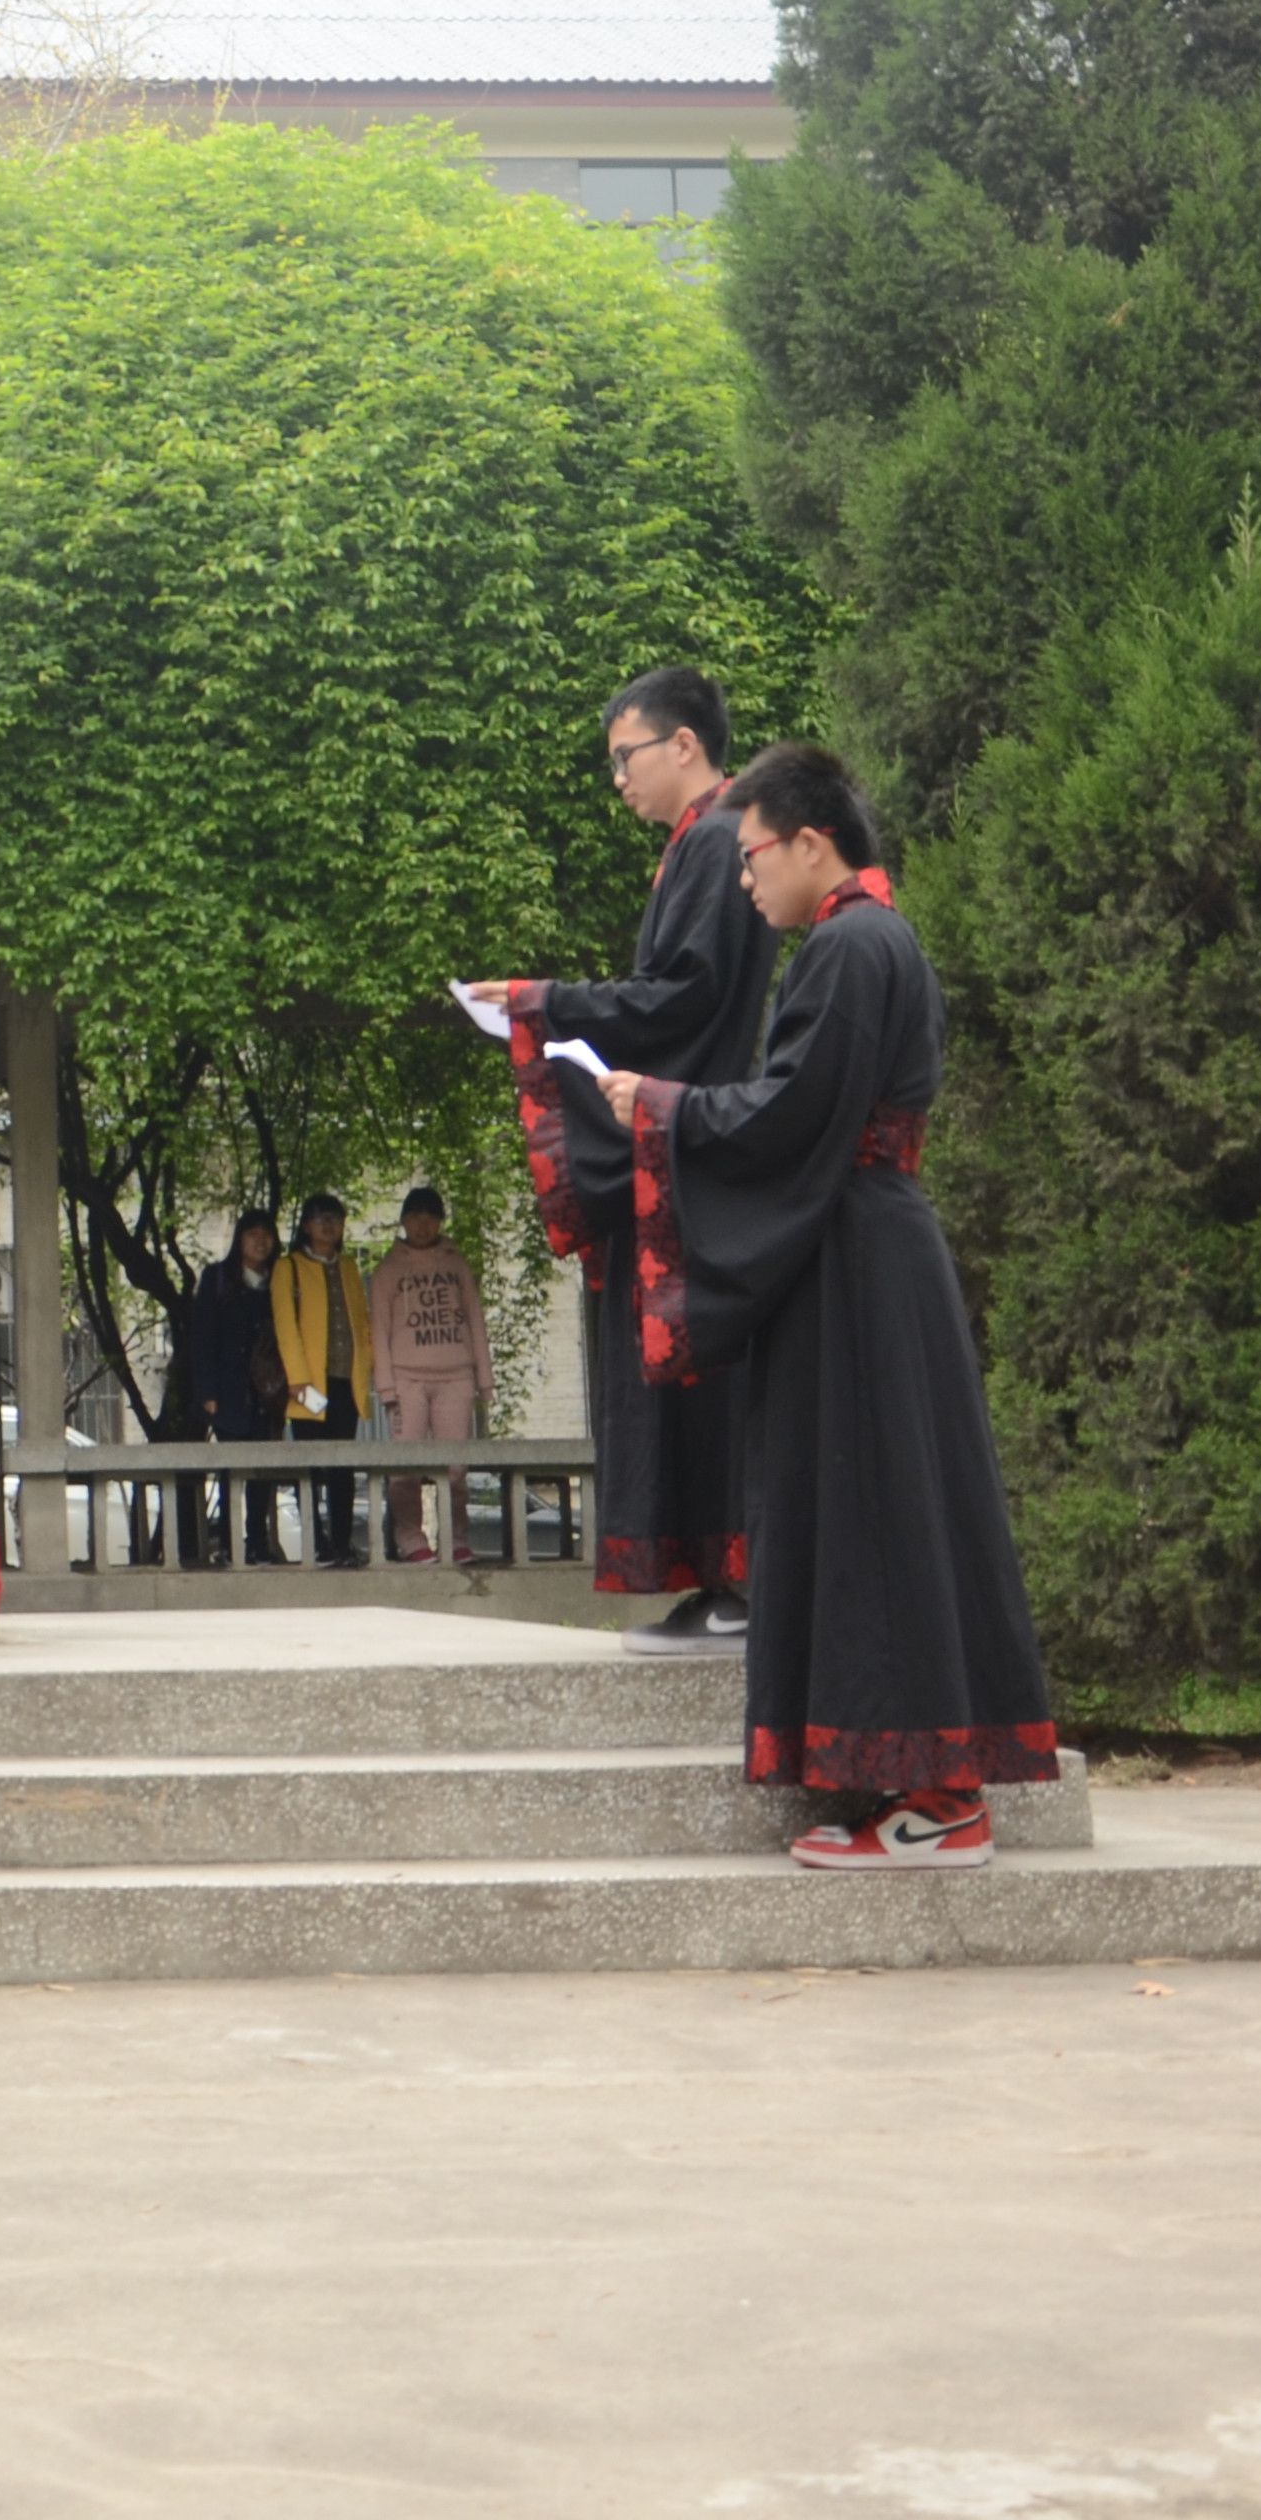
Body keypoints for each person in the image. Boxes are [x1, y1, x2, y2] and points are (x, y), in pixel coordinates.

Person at [594, 742, 1054, 1871]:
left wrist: (658, 1106)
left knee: (876, 1512)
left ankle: (941, 1802)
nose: (743, 876)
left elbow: (790, 1114)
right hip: (867, 1256)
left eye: (752, 854)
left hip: (860, 1268)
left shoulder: (850, 945)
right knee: (884, 1504)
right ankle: (923, 1787)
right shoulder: (875, 938)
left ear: (811, 843)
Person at [479, 665, 777, 1651]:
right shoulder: (700, 845)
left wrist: (545, 1003)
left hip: (689, 1150)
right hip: (675, 1147)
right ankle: (713, 1583)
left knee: (693, 1374)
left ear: (683, 744)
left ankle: (734, 1582)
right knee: (668, 1372)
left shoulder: (717, 839)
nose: (617, 780)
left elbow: (683, 1000)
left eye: (625, 757)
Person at [367, 1186, 495, 1565]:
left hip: (456, 1376)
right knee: (404, 1467)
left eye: (430, 1218)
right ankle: (411, 1540)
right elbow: (379, 1330)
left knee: (455, 1467)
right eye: (415, 1218)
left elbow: (475, 1320)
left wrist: (484, 1380)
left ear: (440, 1222)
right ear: (403, 1222)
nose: (422, 1226)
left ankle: (456, 1539)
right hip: (406, 1379)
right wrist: (386, 1386)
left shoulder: (457, 1265)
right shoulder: (388, 1270)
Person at [165, 1208, 287, 1569]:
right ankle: (232, 1544)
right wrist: (207, 1393)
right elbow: (202, 1338)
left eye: (266, 1235)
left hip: (269, 1391)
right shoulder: (217, 1278)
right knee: (231, 1469)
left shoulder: (281, 1280)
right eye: (252, 1234)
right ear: (239, 1240)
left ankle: (258, 1543)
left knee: (263, 1471)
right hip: (228, 1391)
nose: (260, 1242)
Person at [271, 1190, 373, 1567]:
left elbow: (361, 1321)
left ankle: (342, 1544)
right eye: (320, 1218)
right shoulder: (289, 1267)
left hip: (345, 1379)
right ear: (305, 1226)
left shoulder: (348, 1266)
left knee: (342, 1466)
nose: (328, 1225)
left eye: (335, 1218)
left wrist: (367, 1365)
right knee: (311, 1467)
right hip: (308, 1385)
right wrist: (297, 1378)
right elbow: (285, 1325)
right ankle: (317, 1543)